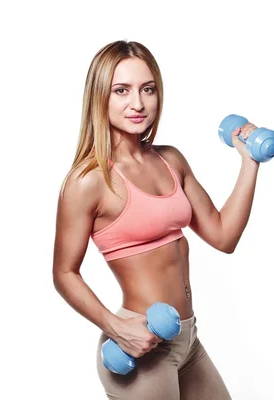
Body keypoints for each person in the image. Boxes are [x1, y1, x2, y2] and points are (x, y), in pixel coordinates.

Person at [52, 40, 260, 400]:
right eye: (122, 91)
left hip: (188, 340)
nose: (138, 103)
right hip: (140, 347)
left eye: (147, 89)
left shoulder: (171, 160)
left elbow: (224, 236)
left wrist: (249, 161)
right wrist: (115, 327)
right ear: (100, 97)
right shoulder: (88, 180)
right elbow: (64, 273)